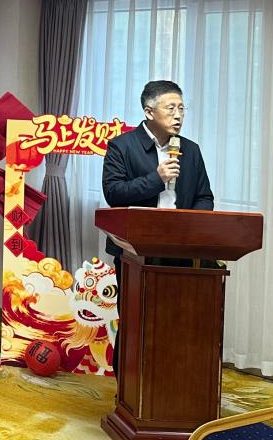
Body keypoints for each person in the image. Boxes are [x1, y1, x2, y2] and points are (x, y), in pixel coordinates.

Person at [101, 80, 214, 374]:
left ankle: (170, 385)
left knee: (178, 321)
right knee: (136, 320)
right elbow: (114, 193)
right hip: (135, 251)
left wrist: (191, 227)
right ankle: (127, 387)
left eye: (182, 108)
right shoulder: (122, 146)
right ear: (149, 111)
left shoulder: (191, 150)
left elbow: (205, 197)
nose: (178, 115)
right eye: (171, 108)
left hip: (181, 250)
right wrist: (157, 178)